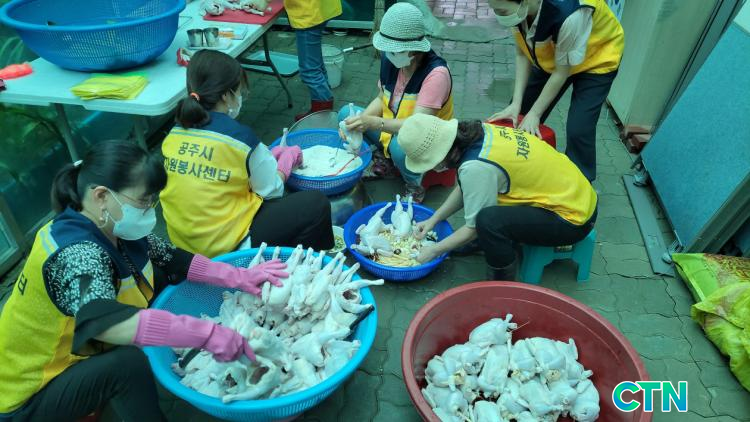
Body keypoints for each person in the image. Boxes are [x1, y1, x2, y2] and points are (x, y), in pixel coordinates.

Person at [0, 141, 288, 421]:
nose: (150, 210)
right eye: (142, 201)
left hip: (71, 354)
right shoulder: (77, 254)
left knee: (157, 276)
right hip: (27, 392)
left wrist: (241, 276)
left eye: (152, 200)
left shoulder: (106, 224)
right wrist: (207, 335)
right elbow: (104, 323)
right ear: (101, 196)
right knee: (127, 364)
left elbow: (172, 259)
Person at [160, 50, 334, 257]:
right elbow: (272, 191)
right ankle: (298, 262)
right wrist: (284, 165)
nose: (240, 96)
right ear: (226, 95)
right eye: (239, 91)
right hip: (222, 246)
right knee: (315, 204)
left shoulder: (174, 133)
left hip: (183, 242)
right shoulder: (241, 139)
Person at [397, 114, 597, 280]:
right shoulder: (480, 132)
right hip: (578, 194)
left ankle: (502, 279)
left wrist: (435, 250)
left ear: (441, 155)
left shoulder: (475, 168)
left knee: (488, 222)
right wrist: (434, 219)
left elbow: (473, 227)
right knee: (485, 216)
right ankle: (487, 242)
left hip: (573, 219)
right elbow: (467, 186)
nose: (432, 168)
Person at [488, 0, 624, 181]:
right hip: (557, 55)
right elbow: (522, 54)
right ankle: (515, 166)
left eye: (502, 11)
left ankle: (579, 185)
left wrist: (536, 113)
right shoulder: (519, 13)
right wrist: (516, 103)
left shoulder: (569, 14)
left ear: (525, 2)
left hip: (597, 58)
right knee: (520, 113)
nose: (498, 16)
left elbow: (561, 73)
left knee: (579, 128)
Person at [337, 2, 454, 203]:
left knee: (400, 145)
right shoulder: (392, 60)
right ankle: (386, 162)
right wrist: (361, 120)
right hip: (392, 127)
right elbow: (381, 98)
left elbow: (417, 126)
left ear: (413, 50)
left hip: (426, 138)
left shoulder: (436, 75)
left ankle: (415, 185)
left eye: (394, 49)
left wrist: (373, 123)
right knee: (345, 115)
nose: (387, 53)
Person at [285, 0, 343, 121]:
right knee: (316, 65)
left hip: (308, 12)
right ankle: (323, 109)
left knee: (310, 71)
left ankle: (322, 116)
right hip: (320, 7)